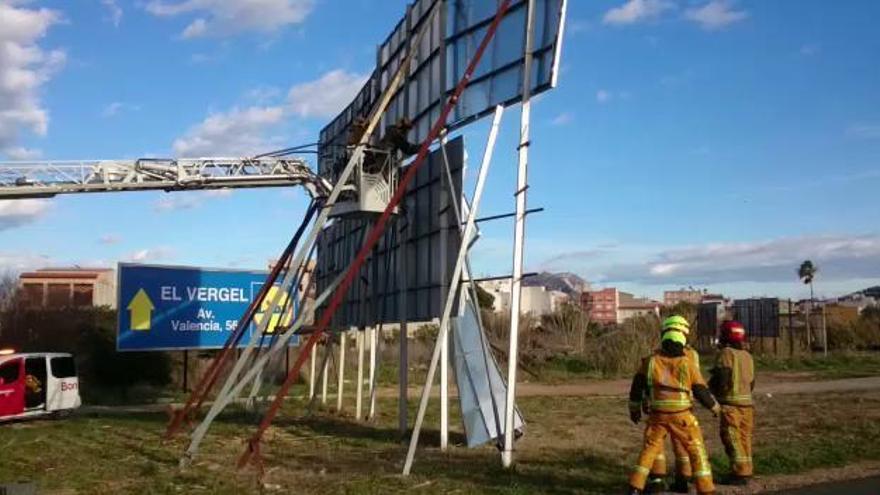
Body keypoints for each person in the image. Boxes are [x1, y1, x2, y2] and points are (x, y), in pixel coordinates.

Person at [627, 329, 721, 495]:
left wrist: (634, 409)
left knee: (649, 450)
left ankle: (635, 486)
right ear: (682, 345)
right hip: (682, 416)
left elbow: (637, 386)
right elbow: (700, 390)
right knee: (696, 450)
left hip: (657, 416)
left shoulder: (650, 362)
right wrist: (714, 407)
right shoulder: (687, 363)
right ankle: (706, 489)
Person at [646, 315, 705, 493]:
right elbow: (697, 382)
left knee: (655, 443)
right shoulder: (692, 355)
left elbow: (649, 380)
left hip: (658, 406)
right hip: (684, 406)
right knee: (683, 442)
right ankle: (684, 478)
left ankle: (657, 479)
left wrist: (644, 399)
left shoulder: (657, 354)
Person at [709, 320, 755, 485]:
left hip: (731, 406)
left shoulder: (726, 353)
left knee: (731, 438)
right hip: (747, 405)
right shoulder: (747, 355)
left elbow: (722, 378)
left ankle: (739, 473)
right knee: (745, 438)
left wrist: (711, 390)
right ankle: (747, 470)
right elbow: (751, 383)